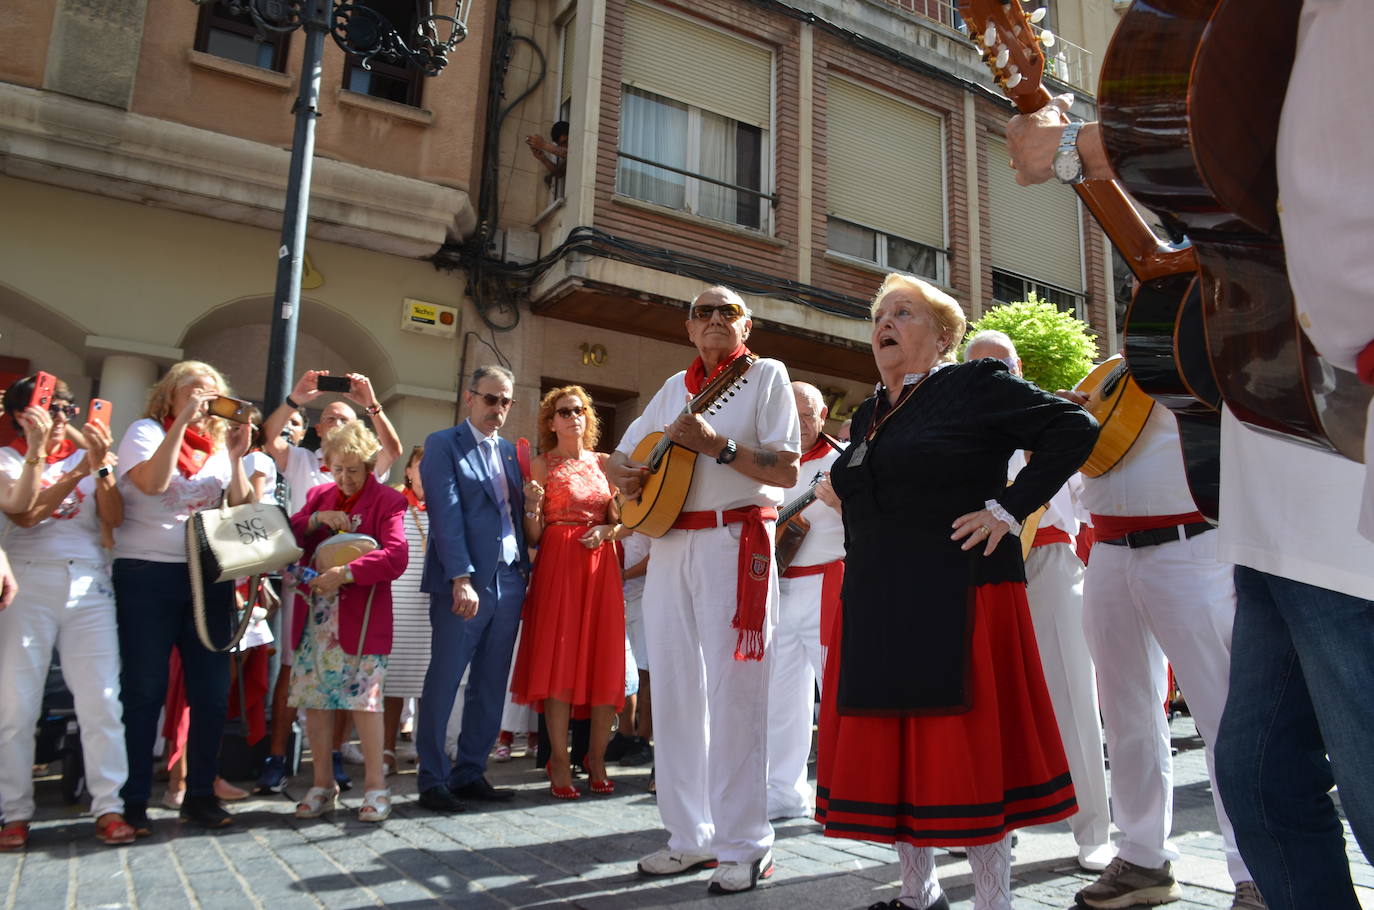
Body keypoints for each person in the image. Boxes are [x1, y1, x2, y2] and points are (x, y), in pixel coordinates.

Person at [1005, 90, 1273, 910]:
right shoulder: (1106, 376)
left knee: (1225, 719)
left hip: (1192, 548)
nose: (1143, 284)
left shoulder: (1203, 339)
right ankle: (1143, 858)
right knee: (1126, 718)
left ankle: (1255, 870)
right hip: (1112, 557)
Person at [813, 274, 1095, 910]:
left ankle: (994, 902)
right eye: (880, 315)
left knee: (967, 756)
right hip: (879, 598)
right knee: (899, 754)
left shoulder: (972, 385)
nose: (885, 324)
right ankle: (919, 895)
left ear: (944, 337)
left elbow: (1074, 426)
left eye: (903, 313)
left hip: (958, 594)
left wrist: (1010, 508)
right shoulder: (869, 415)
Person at [605, 286, 800, 895]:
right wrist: (621, 472)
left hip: (733, 541)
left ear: (747, 325)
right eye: (703, 312)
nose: (715, 319)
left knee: (737, 694)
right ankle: (689, 836)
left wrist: (718, 446)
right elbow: (620, 455)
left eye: (728, 312)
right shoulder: (673, 386)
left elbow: (788, 468)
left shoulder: (767, 375)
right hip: (669, 544)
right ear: (689, 328)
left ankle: (747, 845)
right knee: (674, 693)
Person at [964, 331, 1113, 872]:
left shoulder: (1051, 417)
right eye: (978, 367)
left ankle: (1093, 829)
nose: (991, 377)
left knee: (1073, 694)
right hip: (983, 567)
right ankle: (989, 824)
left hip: (1050, 561)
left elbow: (1089, 499)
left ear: (1019, 367)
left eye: (1001, 366)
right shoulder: (961, 429)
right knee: (984, 698)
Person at [112, 361, 253, 833]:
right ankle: (133, 799)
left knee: (211, 692)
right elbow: (152, 483)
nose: (203, 396)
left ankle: (200, 795)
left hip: (204, 577)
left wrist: (236, 457)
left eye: (211, 390)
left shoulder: (218, 446)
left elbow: (240, 507)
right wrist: (183, 424)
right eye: (193, 389)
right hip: (146, 572)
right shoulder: (146, 432)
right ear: (169, 395)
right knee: (145, 688)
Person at [0, 375, 133, 850]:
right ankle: (14, 811)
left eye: (66, 409)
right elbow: (25, 515)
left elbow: (114, 517)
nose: (60, 418)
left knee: (102, 698)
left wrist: (101, 467)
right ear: (21, 415)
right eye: (49, 408)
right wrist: (77, 472)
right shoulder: (8, 457)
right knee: (16, 704)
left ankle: (109, 806)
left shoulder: (85, 455)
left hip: (89, 579)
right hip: (27, 579)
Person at [415, 365, 530, 812]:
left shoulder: (510, 452)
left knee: (490, 680)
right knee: (445, 678)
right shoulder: (443, 444)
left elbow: (514, 518)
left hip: (509, 579)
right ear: (470, 398)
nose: (498, 408)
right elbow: (445, 514)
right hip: (463, 583)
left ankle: (470, 771)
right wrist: (460, 578)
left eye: (505, 401)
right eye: (490, 399)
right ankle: (432, 778)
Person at [509, 385, 628, 798]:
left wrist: (607, 530)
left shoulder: (606, 463)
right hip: (559, 564)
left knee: (602, 658)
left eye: (579, 410)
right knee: (558, 660)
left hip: (600, 566)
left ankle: (596, 758)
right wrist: (531, 505)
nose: (573, 416)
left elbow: (627, 523)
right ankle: (559, 760)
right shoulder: (541, 465)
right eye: (564, 411)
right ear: (551, 421)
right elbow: (533, 535)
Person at [287, 421, 407, 823]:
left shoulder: (388, 500)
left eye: (353, 470)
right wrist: (315, 520)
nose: (344, 477)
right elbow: (290, 537)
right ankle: (322, 784)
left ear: (369, 466)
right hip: (317, 617)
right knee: (316, 702)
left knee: (365, 703)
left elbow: (396, 556)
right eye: (337, 469)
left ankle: (376, 787)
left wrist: (348, 572)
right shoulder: (318, 497)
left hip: (362, 616)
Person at [765, 381, 843, 821]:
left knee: (837, 694)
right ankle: (784, 791)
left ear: (823, 414)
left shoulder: (844, 458)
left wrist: (843, 504)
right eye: (789, 415)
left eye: (806, 414)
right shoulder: (768, 463)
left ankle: (846, 792)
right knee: (781, 699)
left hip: (827, 586)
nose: (798, 424)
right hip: (778, 588)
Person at [261, 369, 402, 516]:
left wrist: (371, 404)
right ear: (318, 429)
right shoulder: (302, 460)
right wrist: (295, 399)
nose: (337, 424)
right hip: (308, 530)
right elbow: (269, 440)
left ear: (356, 428)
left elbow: (393, 451)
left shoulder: (367, 461)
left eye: (344, 420)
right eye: (330, 419)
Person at [382, 445, 433, 776]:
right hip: (397, 599)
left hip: (431, 603)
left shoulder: (447, 506)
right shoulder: (394, 503)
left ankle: (423, 747)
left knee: (429, 679)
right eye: (420, 464)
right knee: (394, 678)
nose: (426, 470)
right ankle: (386, 749)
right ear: (409, 471)